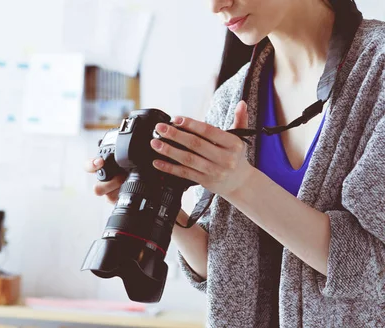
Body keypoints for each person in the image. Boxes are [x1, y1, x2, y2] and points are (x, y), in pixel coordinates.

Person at [85, 0, 385, 326]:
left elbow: (372, 267)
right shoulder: (232, 97)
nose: (217, 6)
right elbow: (223, 271)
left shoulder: (377, 73)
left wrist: (241, 184)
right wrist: (154, 202)